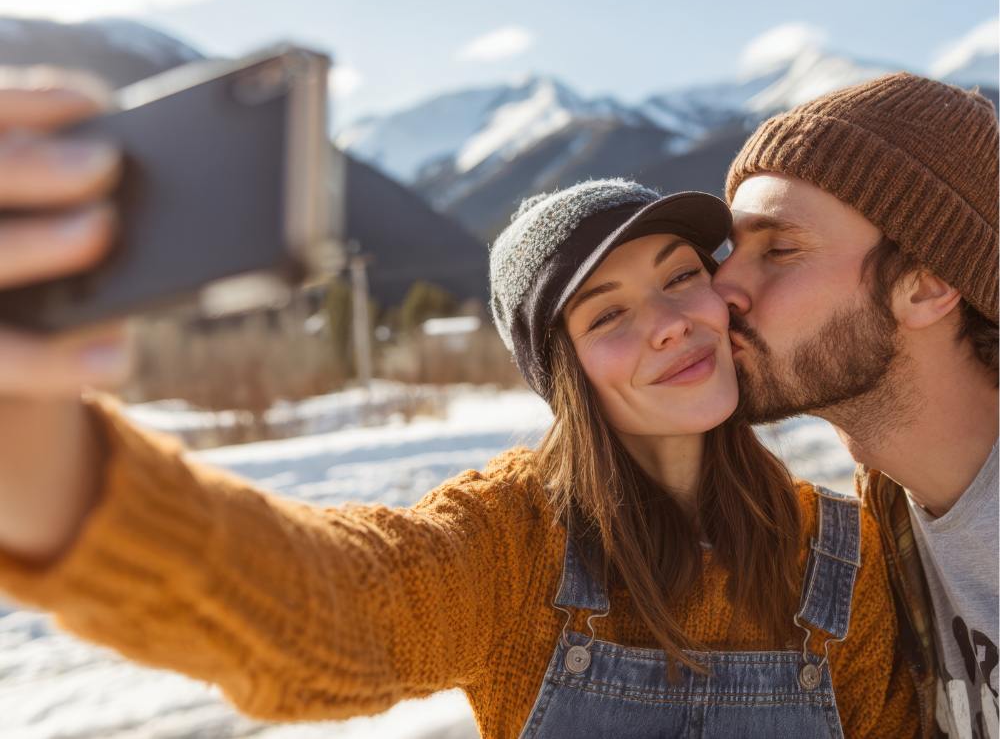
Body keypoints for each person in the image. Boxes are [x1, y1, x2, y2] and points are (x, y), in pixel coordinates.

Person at [0, 80, 916, 738]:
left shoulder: (840, 557)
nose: (672, 325)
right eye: (608, 315)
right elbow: (329, 607)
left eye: (681, 278)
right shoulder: (514, 543)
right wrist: (49, 463)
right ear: (564, 375)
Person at [712, 72, 999, 739]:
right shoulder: (885, 524)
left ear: (927, 285)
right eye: (730, 251)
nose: (721, 286)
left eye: (778, 250)